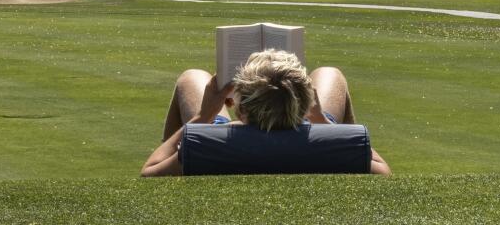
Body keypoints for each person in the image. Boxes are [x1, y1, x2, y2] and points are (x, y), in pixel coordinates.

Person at [141, 49, 391, 176]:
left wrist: (202, 118)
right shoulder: (338, 145)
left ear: (240, 110)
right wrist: (321, 120)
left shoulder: (200, 145)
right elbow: (383, 171)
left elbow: (150, 170)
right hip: (313, 141)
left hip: (224, 141)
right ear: (306, 103)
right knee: (330, 73)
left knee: (192, 76)